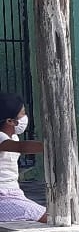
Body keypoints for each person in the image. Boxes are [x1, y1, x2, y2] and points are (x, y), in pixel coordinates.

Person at [0, 94, 46, 223]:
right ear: (10, 121)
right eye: (22, 114)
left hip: (13, 193)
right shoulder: (1, 137)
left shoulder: (13, 137)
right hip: (3, 195)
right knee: (48, 217)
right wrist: (50, 146)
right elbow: (20, 147)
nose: (25, 118)